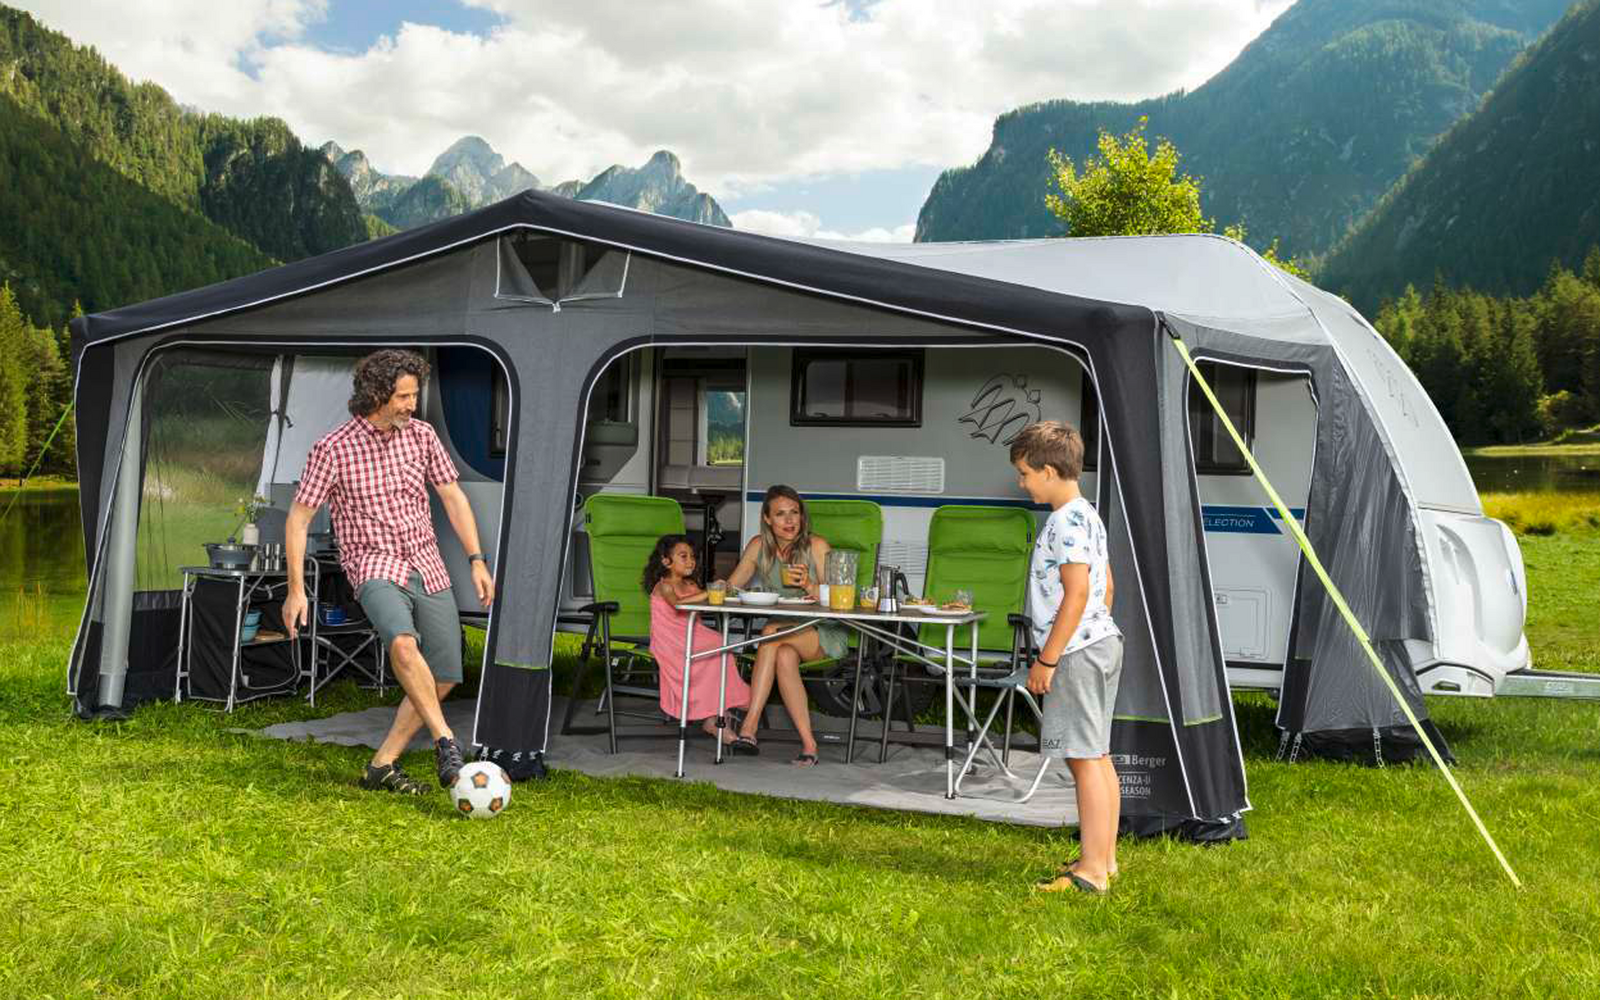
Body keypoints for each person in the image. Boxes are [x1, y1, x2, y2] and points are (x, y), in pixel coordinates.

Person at [281, 349, 495, 796]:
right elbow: (298, 520)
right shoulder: (333, 448)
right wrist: (296, 590)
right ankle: (446, 743)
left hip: (426, 562)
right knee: (402, 642)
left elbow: (453, 497)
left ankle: (382, 765)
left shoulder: (422, 436)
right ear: (376, 395)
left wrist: (477, 560)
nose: (411, 404)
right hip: (373, 563)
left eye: (414, 395)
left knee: (445, 675)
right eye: (403, 396)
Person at [1010, 420, 1124, 894]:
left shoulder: (1065, 522)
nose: (1021, 482)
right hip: (1100, 642)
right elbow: (1107, 586)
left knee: (1082, 757)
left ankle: (1091, 873)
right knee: (1097, 754)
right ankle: (1103, 859)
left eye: (1024, 474)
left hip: (1076, 651)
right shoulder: (1088, 514)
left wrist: (1049, 659)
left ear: (1050, 470)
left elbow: (1076, 594)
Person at [723, 484, 846, 766]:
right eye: (781, 514)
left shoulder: (816, 546)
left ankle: (749, 727)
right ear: (767, 518)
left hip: (822, 629)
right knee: (783, 655)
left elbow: (839, 598)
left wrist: (809, 584)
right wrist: (717, 588)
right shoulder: (758, 546)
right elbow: (732, 587)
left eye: (795, 513)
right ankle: (809, 746)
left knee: (770, 633)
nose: (790, 521)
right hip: (782, 632)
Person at [643, 534, 751, 742]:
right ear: (666, 561)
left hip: (693, 634)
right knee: (717, 645)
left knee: (720, 645)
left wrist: (723, 594)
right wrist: (709, 591)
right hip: (671, 641)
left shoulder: (691, 585)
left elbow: (704, 602)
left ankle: (717, 714)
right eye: (683, 556)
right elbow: (678, 605)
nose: (691, 561)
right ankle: (728, 706)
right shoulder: (664, 585)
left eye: (692, 556)